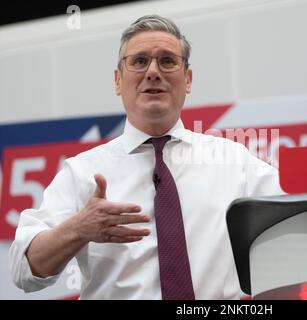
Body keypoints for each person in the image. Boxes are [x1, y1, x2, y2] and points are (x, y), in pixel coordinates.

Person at [9, 15, 283, 300]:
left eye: (167, 61)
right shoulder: (81, 172)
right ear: (118, 81)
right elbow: (23, 270)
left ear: (187, 80)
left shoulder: (235, 162)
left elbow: (300, 212)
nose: (153, 72)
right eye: (139, 61)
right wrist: (78, 229)